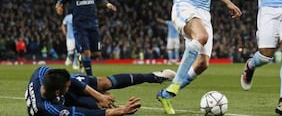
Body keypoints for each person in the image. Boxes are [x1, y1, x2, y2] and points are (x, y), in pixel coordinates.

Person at [25, 66, 176, 116]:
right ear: (58, 92)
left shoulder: (42, 72)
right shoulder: (49, 108)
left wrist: (99, 95)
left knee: (102, 83)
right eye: (67, 85)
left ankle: (153, 76)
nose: (71, 84)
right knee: (100, 109)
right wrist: (120, 111)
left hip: (61, 96)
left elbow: (72, 81)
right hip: (66, 105)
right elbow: (83, 113)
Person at [55, 0, 117, 76]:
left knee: (97, 54)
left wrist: (108, 5)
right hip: (79, 26)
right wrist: (59, 8)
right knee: (87, 53)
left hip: (93, 25)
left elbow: (101, 0)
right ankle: (90, 77)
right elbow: (59, 3)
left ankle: (81, 58)